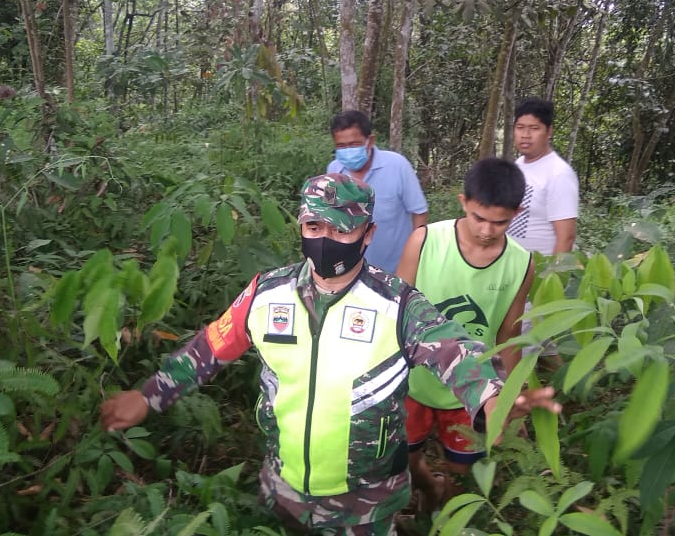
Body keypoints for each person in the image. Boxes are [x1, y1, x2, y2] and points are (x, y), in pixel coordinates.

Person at [100, 173, 561, 535]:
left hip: (368, 501)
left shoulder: (396, 303)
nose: (325, 238)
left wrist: (492, 396)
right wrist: (149, 395)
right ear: (301, 225)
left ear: (368, 233)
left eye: (342, 229)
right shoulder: (266, 293)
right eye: (314, 226)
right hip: (283, 488)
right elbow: (209, 347)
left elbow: (454, 350)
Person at [395, 158, 534, 512]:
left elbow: (509, 333)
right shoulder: (424, 242)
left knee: (462, 470)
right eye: (479, 218)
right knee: (406, 463)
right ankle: (429, 492)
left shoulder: (520, 263)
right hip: (415, 383)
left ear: (516, 213)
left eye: (499, 222)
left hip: (472, 391)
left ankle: (448, 515)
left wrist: (509, 397)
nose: (487, 230)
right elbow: (394, 314)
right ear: (463, 203)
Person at [326, 110, 428, 273]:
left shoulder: (398, 166)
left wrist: (417, 256)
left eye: (354, 144)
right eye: (341, 146)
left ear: (370, 141)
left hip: (396, 268)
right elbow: (330, 213)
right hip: (352, 269)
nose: (347, 151)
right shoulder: (334, 170)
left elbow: (419, 212)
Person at [506, 97, 579, 256]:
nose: (525, 135)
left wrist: (552, 277)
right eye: (520, 127)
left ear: (549, 132)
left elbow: (566, 237)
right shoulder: (518, 165)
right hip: (511, 265)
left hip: (539, 271)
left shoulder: (559, 174)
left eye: (534, 128)